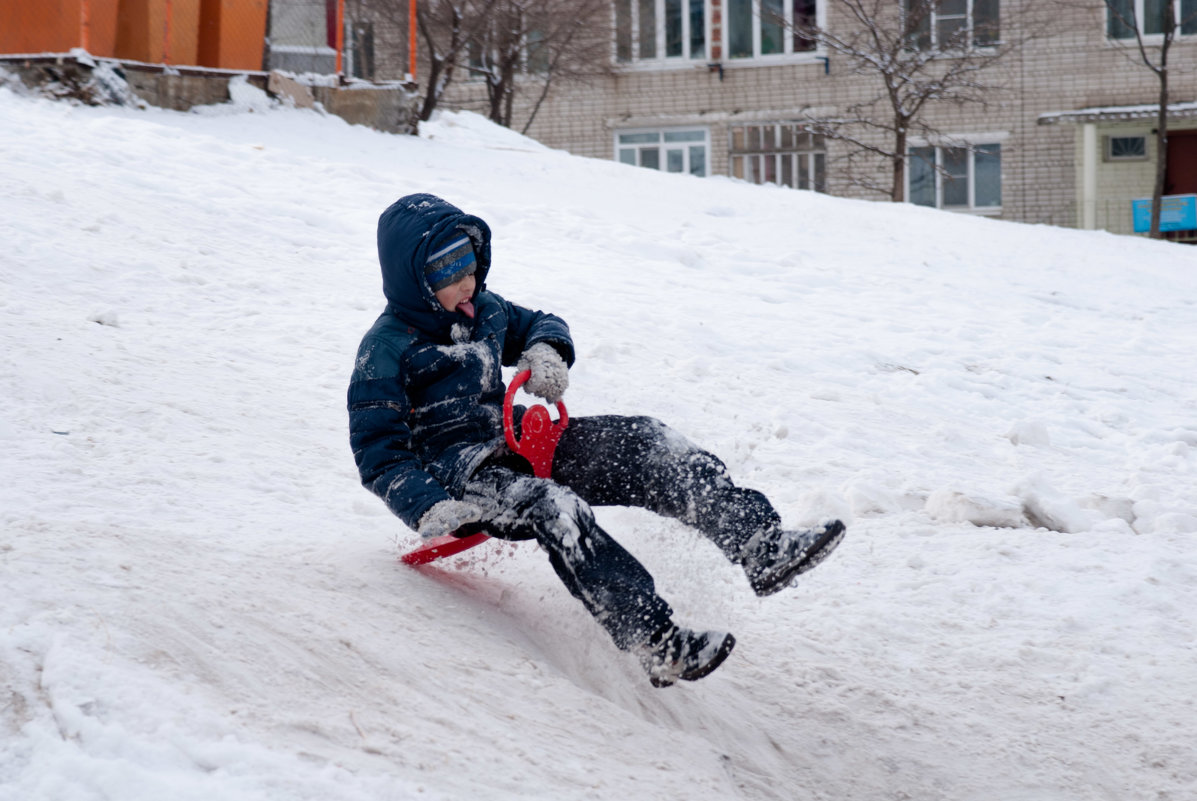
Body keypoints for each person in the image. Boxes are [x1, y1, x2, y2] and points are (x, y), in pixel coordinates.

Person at [348, 193, 845, 688]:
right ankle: (658, 642)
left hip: (516, 439)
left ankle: (759, 544)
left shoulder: (486, 310)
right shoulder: (386, 350)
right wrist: (428, 506)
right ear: (416, 282)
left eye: (471, 269)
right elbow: (379, 454)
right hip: (462, 480)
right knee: (555, 507)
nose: (468, 284)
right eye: (450, 278)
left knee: (645, 442)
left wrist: (545, 348)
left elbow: (541, 322)